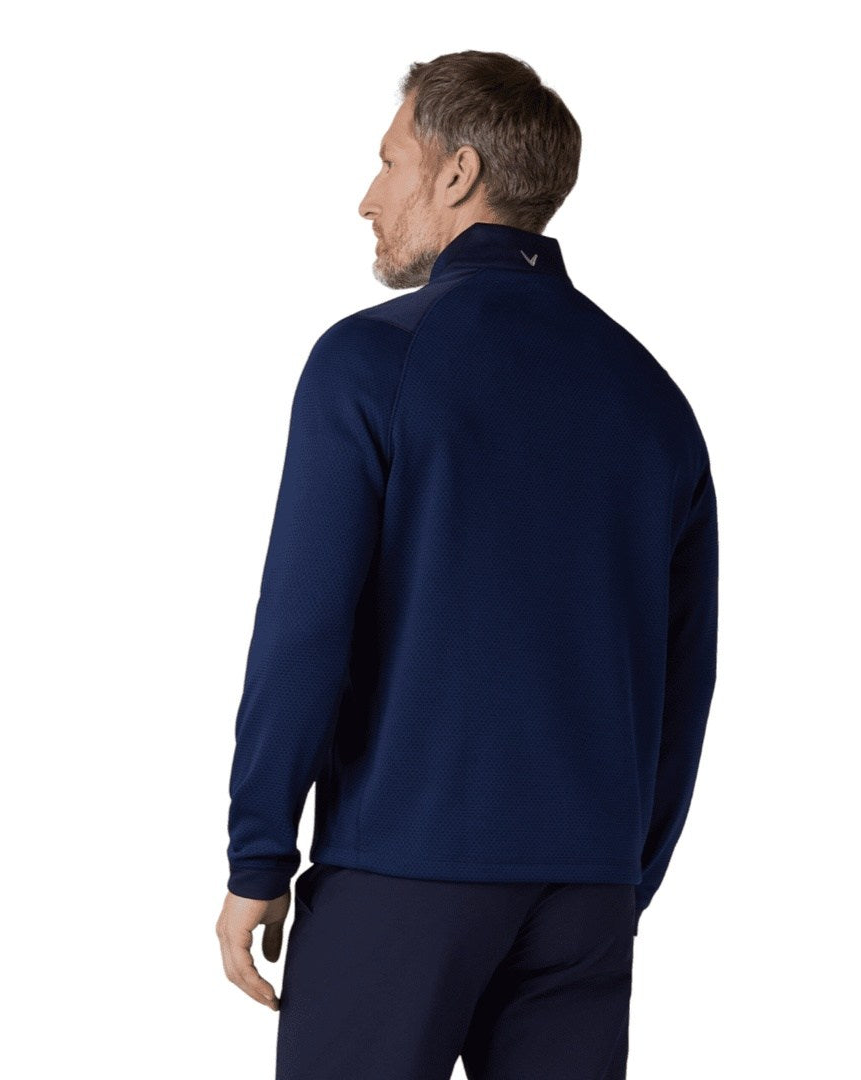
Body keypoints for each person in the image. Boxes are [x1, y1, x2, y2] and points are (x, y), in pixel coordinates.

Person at [216, 49, 718, 1080]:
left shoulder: (372, 361)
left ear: (457, 173)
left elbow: (305, 629)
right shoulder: (653, 399)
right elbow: (685, 672)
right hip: (585, 892)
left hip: (403, 871)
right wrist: (623, 874)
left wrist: (258, 851)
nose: (367, 197)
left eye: (390, 160)